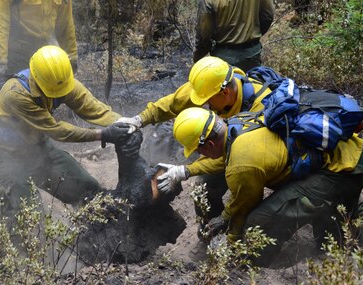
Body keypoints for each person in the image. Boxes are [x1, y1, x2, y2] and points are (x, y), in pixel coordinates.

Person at [171, 107, 363, 266]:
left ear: (210, 144)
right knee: (335, 229)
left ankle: (255, 265)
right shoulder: (240, 122)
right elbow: (228, 161)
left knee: (260, 220)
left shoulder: (241, 165)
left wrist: (230, 245)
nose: (200, 156)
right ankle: (346, 217)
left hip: (341, 171)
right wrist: (186, 170)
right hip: (346, 153)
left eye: (198, 151)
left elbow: (244, 207)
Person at [0, 45, 140, 228]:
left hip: (37, 150)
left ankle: (100, 238)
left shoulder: (61, 79)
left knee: (87, 189)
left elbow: (91, 107)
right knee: (27, 216)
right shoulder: (15, 94)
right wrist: (102, 135)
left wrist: (123, 122)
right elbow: (55, 130)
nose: (61, 93)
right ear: (38, 78)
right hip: (3, 158)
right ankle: (19, 251)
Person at [117, 56, 273, 237]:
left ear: (225, 93)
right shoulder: (210, 85)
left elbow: (236, 157)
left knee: (248, 204)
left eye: (208, 101)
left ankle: (239, 241)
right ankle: (210, 236)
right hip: (227, 146)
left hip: (256, 159)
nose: (206, 105)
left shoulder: (261, 106)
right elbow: (173, 103)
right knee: (203, 189)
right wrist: (139, 120)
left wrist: (187, 170)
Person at [0, 0, 78, 78]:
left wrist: (71, 56)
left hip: (44, 54)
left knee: (47, 93)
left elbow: (65, 23)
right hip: (15, 53)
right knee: (17, 94)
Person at [193, 0, 275, 72]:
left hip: (223, 55)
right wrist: (253, 33)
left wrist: (198, 57)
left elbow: (204, 34)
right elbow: (268, 15)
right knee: (252, 86)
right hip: (252, 53)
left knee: (226, 88)